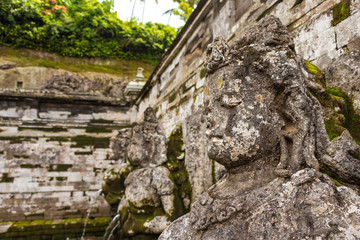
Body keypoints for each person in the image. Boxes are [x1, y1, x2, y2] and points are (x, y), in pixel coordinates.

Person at [159, 16, 360, 240]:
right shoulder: (181, 228)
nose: (211, 119)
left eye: (229, 104)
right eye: (209, 109)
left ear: (286, 117)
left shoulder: (322, 212)